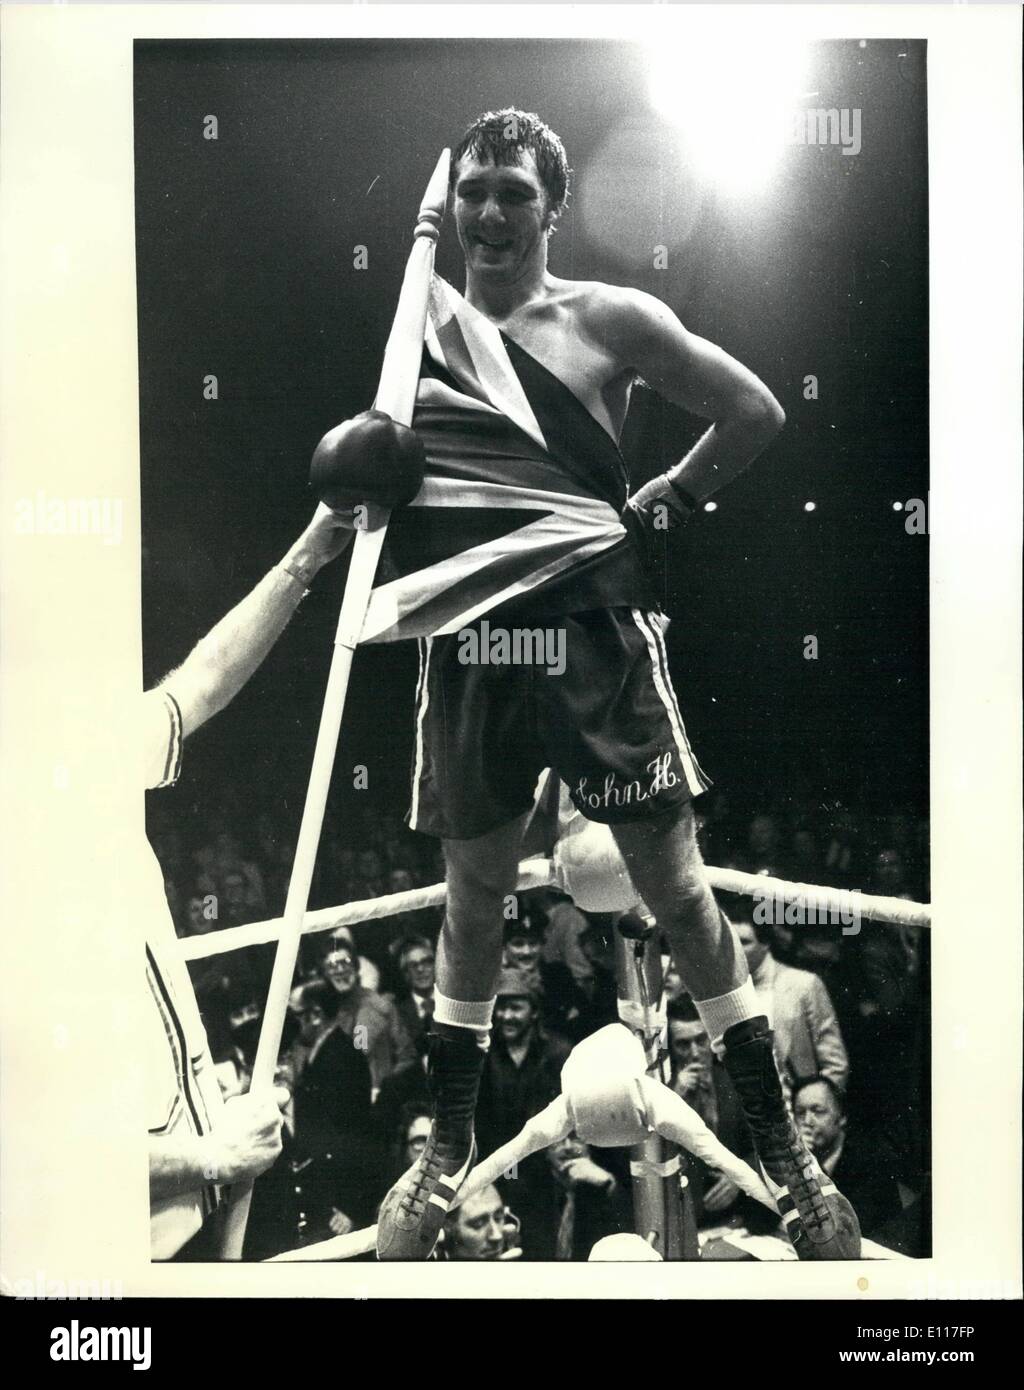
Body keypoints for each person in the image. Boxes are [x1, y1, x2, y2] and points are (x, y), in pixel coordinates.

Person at [371, 109, 859, 1260]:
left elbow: (755, 408)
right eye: (474, 191)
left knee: (679, 892)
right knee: (473, 896)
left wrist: (673, 493)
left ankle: (786, 1161)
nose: (490, 213)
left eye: (513, 195)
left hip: (594, 629)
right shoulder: (416, 331)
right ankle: (445, 1153)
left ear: (549, 208)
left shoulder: (608, 317)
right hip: (479, 639)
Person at [145, 500, 353, 1258]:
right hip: (132, 1251)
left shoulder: (67, 757)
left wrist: (306, 557)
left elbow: (200, 682)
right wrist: (211, 1156)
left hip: (218, 1194)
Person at [734, 916, 850, 1102]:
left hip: (800, 1111)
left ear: (765, 943)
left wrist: (813, 1108)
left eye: (744, 942)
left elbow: (835, 1065)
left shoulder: (803, 985)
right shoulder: (727, 994)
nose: (735, 950)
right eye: (730, 942)